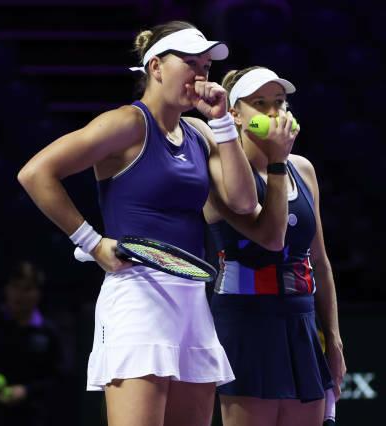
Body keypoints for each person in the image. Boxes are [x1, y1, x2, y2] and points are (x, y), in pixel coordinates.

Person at [17, 21, 258, 426]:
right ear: (156, 67)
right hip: (138, 297)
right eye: (190, 63)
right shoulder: (126, 123)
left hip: (192, 301)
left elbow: (244, 201)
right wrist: (93, 243)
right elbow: (35, 173)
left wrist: (221, 121)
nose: (201, 75)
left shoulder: (200, 131)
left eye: (205, 66)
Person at [204, 66, 346, 426]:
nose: (273, 113)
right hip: (245, 324)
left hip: (301, 324)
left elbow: (320, 262)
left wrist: (333, 340)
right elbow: (271, 238)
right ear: (235, 114)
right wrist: (278, 160)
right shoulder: (220, 172)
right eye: (260, 104)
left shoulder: (304, 170)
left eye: (279, 102)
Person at [0, 260, 64, 426]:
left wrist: (27, 391)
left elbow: (57, 377)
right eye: (15, 287)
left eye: (27, 288)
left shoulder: (49, 333)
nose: (20, 294)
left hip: (35, 417)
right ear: (6, 289)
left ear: (38, 294)